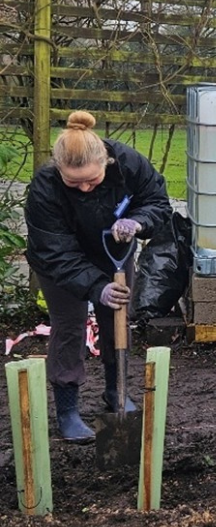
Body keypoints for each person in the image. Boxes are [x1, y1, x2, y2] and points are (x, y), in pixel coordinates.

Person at [25, 111, 171, 443]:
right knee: (70, 325)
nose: (86, 187)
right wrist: (96, 287)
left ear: (105, 160)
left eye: (93, 179)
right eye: (74, 182)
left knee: (117, 317)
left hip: (113, 252)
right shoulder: (44, 188)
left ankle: (115, 392)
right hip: (60, 264)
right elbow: (56, 251)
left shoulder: (128, 163)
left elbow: (157, 202)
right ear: (58, 168)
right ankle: (67, 411)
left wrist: (138, 222)